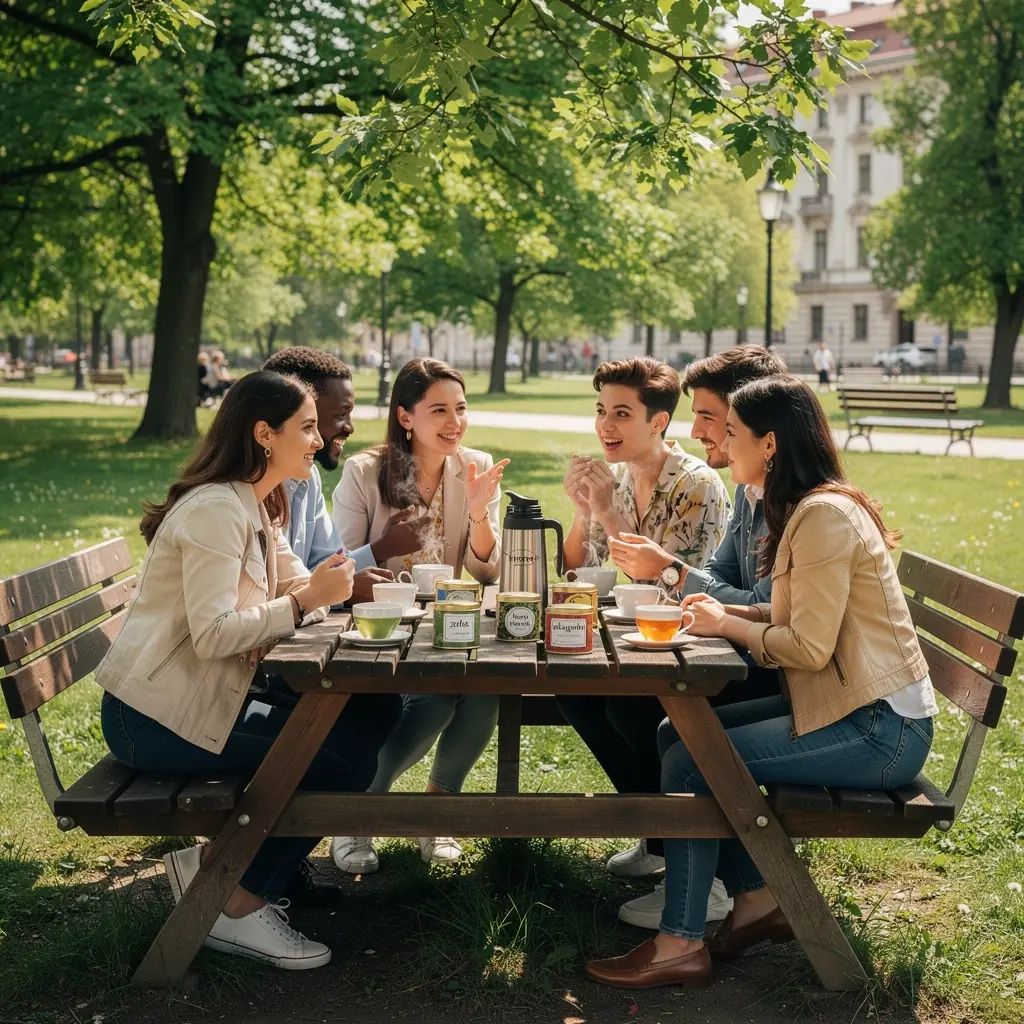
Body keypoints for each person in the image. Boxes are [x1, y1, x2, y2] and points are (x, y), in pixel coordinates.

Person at [584, 375, 937, 990]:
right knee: (676, 735)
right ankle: (755, 898)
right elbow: (793, 613)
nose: (722, 443)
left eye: (732, 432)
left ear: (769, 443)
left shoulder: (822, 516)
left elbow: (807, 646)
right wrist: (729, 613)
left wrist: (730, 624)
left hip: (880, 730)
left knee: (691, 761)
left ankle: (679, 943)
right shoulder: (807, 507)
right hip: (852, 709)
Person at [95, 371, 402, 970]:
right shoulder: (216, 511)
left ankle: (223, 869)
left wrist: (311, 598)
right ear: (265, 434)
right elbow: (216, 633)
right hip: (154, 718)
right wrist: (301, 605)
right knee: (340, 760)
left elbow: (300, 584)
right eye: (306, 428)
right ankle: (235, 904)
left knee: (372, 709)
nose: (319, 440)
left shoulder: (254, 502)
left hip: (207, 698)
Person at [602, 346, 788, 931]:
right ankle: (672, 845)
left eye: (710, 417)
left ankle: (702, 880)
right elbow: (722, 577)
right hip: (746, 653)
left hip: (780, 673)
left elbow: (765, 607)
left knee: (658, 718)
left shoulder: (790, 504)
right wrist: (682, 576)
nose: (697, 430)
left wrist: (673, 573)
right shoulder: (752, 493)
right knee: (603, 696)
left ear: (753, 420)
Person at [555, 357, 730, 912]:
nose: (605, 425)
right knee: (572, 689)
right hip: (639, 642)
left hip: (694, 647)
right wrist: (583, 511)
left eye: (621, 414)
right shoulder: (624, 477)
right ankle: (658, 838)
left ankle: (693, 860)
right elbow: (578, 570)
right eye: (601, 410)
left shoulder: (695, 485)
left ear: (658, 422)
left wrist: (608, 511)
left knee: (628, 710)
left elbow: (670, 589)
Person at [329, 358, 509, 873]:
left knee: (487, 689)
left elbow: (487, 571)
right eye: (439, 411)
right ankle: (359, 814)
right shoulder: (365, 472)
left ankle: (437, 813)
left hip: (446, 624)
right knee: (433, 698)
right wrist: (385, 546)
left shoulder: (473, 465)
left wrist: (479, 511)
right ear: (406, 417)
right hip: (377, 629)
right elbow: (338, 566)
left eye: (461, 408)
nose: (455, 422)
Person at [262, 347, 397, 602]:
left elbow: (319, 567)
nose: (350, 427)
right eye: (340, 415)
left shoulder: (308, 477)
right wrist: (341, 589)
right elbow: (267, 594)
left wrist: (347, 581)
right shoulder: (243, 494)